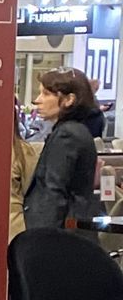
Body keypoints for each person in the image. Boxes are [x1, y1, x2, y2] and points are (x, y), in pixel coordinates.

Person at [23, 68, 104, 233]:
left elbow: (55, 193)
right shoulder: (74, 130)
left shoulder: (67, 134)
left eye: (46, 94)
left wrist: (42, 239)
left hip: (61, 234)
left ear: (69, 100)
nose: (37, 100)